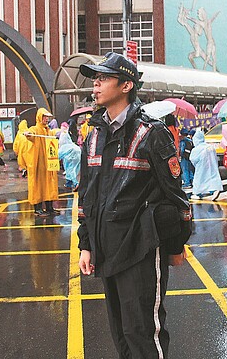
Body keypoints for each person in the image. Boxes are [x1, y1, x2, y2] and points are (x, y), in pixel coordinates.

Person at [77, 52, 191, 358]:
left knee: (142, 334)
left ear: (126, 85)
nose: (96, 84)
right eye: (95, 79)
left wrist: (176, 246)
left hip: (140, 250)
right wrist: (86, 245)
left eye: (103, 78)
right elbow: (86, 196)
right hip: (106, 250)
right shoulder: (93, 136)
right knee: (121, 335)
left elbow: (176, 195)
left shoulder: (153, 134)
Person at [24, 108, 60, 217]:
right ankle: (38, 208)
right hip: (38, 164)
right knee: (38, 185)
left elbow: (54, 134)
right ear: (39, 117)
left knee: (49, 185)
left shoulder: (48, 130)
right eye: (44, 117)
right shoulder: (35, 129)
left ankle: (49, 207)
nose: (47, 119)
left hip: (48, 164)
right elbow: (31, 134)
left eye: (47, 117)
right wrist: (28, 133)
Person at [189, 128, 222, 200]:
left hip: (201, 167)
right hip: (212, 166)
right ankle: (215, 190)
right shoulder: (210, 146)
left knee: (199, 179)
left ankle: (197, 193)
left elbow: (192, 159)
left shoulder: (196, 149)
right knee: (212, 177)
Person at [58, 122, 81, 191]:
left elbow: (58, 155)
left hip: (71, 155)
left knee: (70, 169)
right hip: (78, 152)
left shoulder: (63, 143)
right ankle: (69, 183)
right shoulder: (69, 141)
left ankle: (75, 183)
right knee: (74, 169)